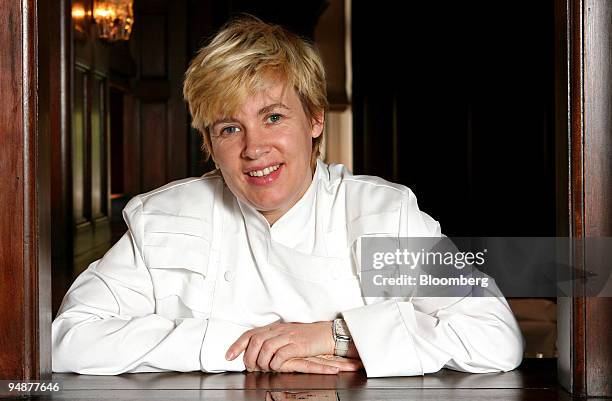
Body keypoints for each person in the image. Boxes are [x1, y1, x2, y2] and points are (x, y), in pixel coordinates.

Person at [52, 16, 523, 377]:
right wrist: (241, 347)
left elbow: (492, 336)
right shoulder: (166, 218)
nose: (254, 148)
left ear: (315, 119)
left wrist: (337, 336)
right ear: (210, 143)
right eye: (230, 128)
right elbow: (69, 337)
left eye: (273, 117)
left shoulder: (378, 216)